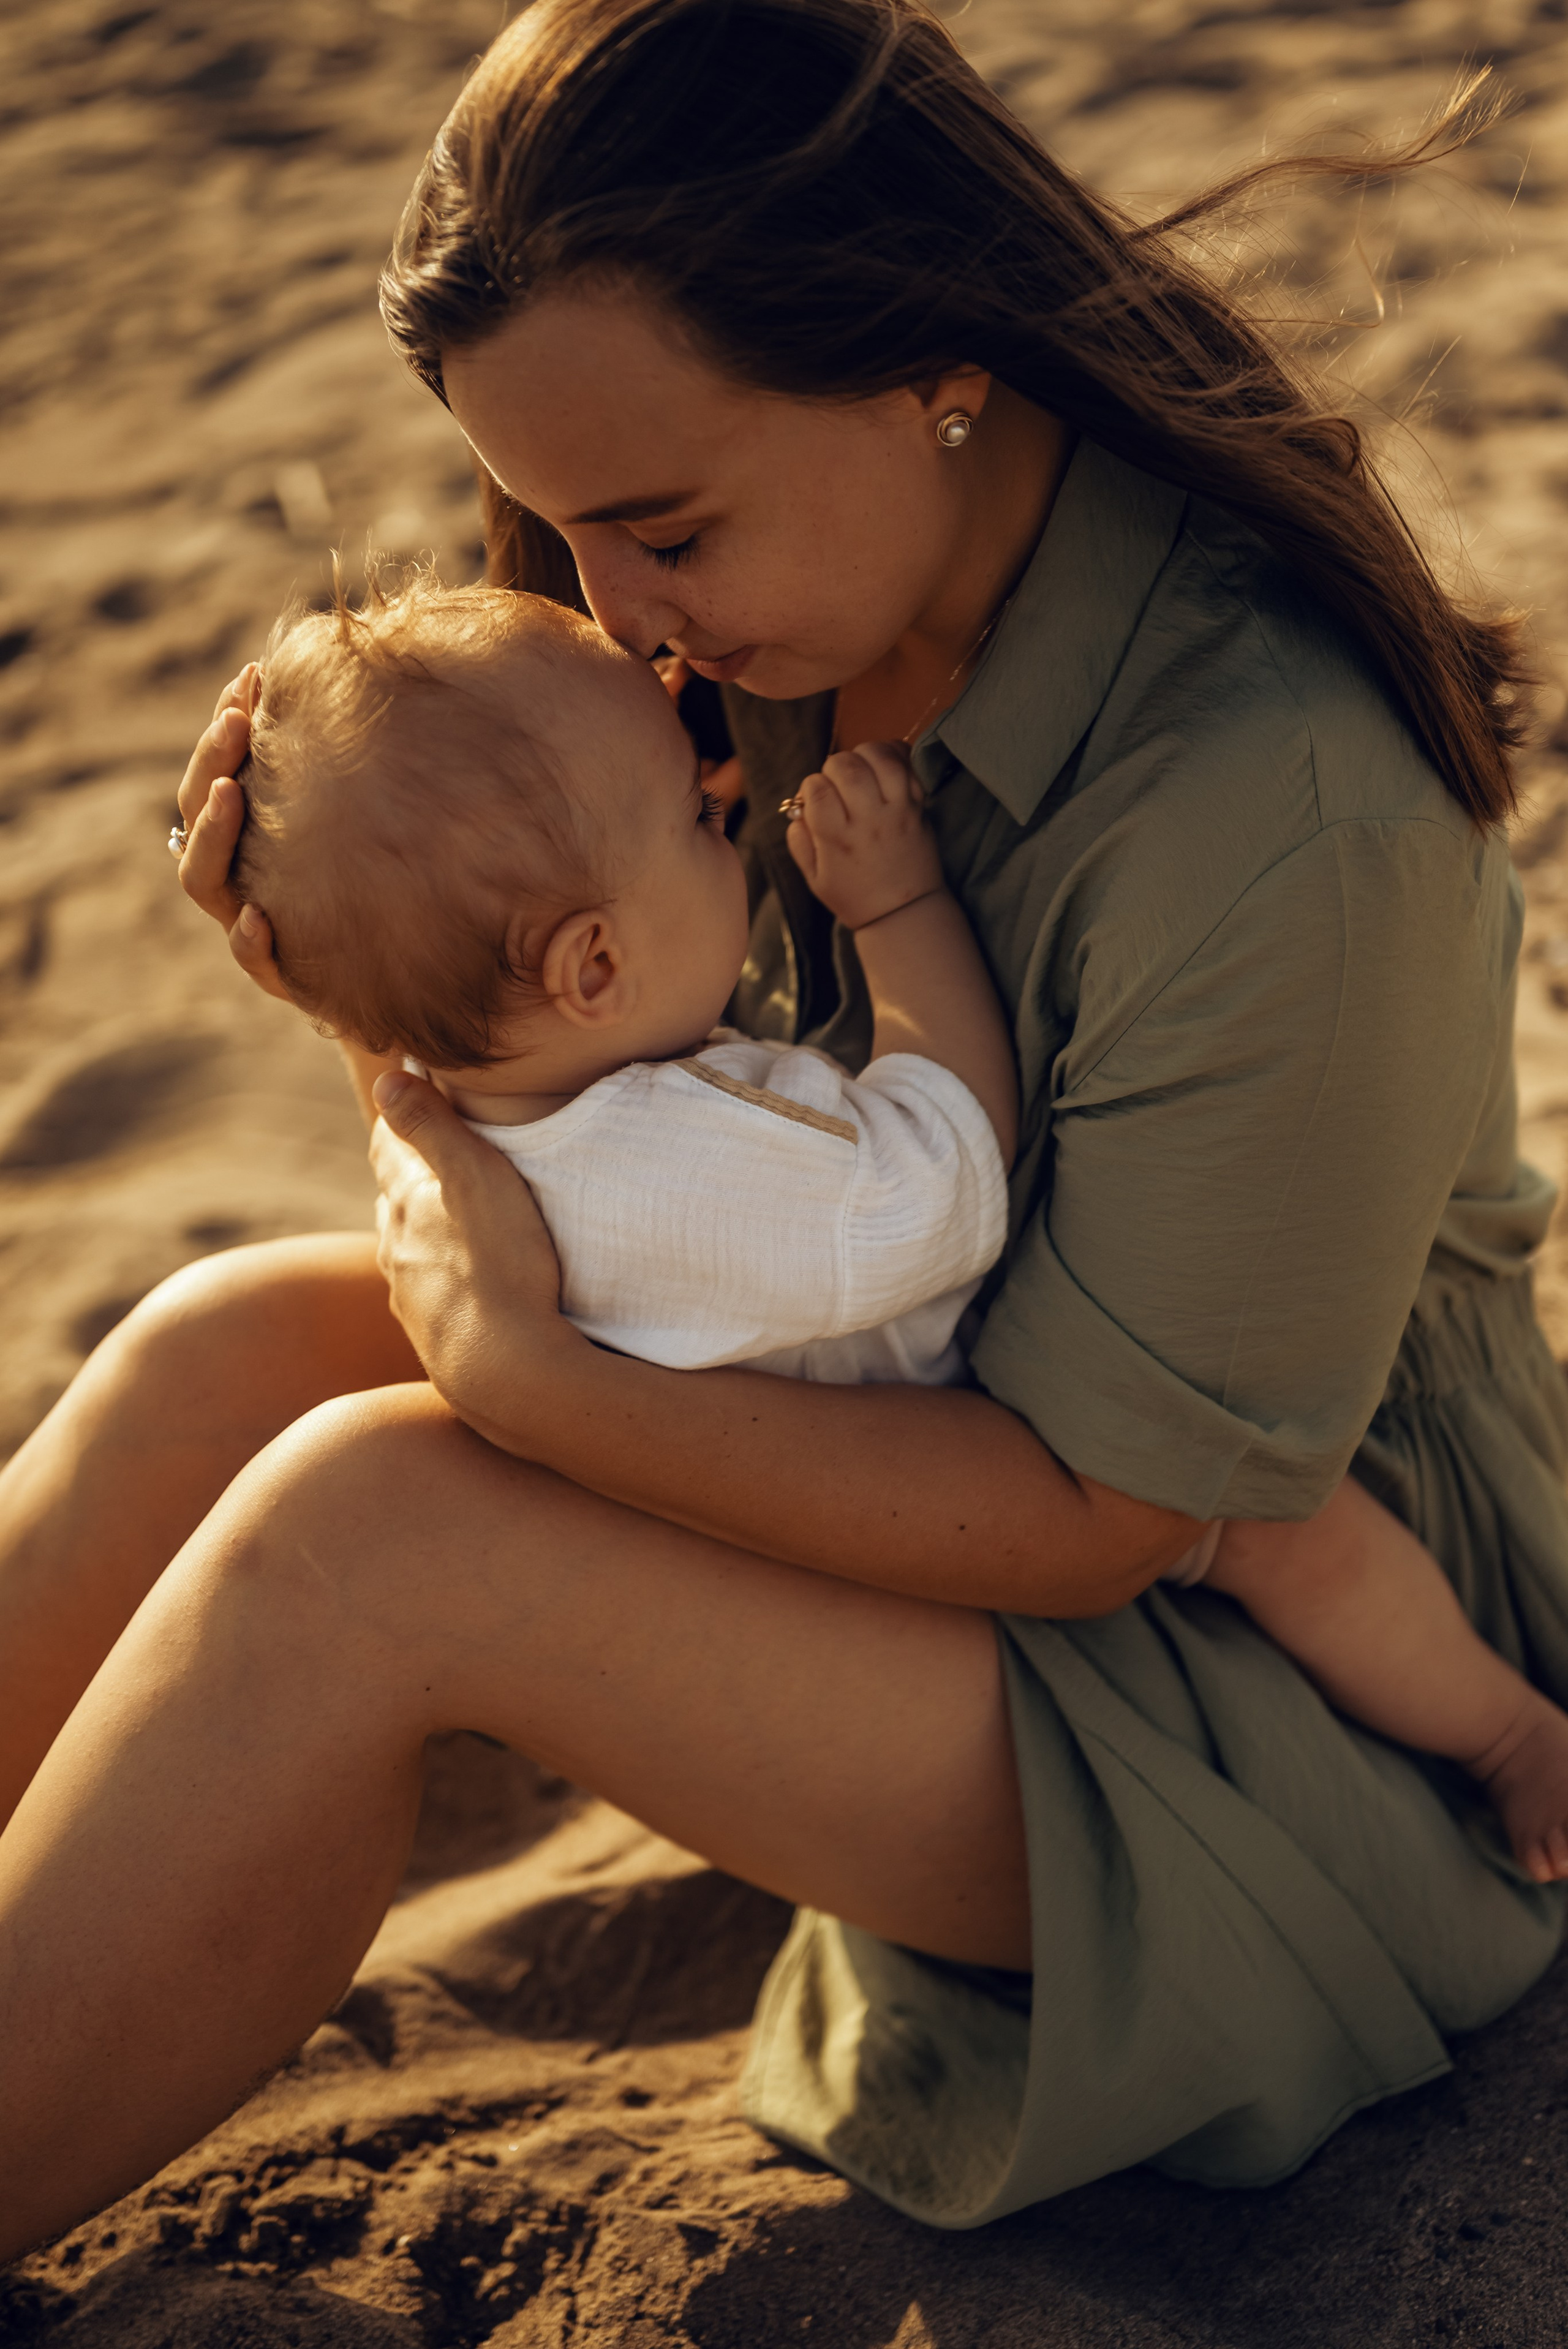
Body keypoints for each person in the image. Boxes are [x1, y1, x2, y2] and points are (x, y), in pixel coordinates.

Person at [0, 0, 1564, 2260]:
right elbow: (622, 1079)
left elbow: (1114, 1513)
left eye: (659, 526)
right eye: (561, 530)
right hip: (880, 1406)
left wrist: (524, 1381)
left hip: (1277, 1680)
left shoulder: (1280, 804)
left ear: (935, 362)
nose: (610, 615)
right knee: (213, 1351)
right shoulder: (748, 622)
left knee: (370, 1528)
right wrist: (376, 994)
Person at [245, 568, 1568, 1883]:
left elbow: (400, 1057)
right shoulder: (692, 1163)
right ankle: (1508, 1733)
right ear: (593, 967)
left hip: (763, 1541)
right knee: (1278, 1533)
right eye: (699, 823)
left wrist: (322, 949)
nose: (731, 820)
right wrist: (899, 909)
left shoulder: (457, 1126)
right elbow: (943, 1174)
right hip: (942, 1491)